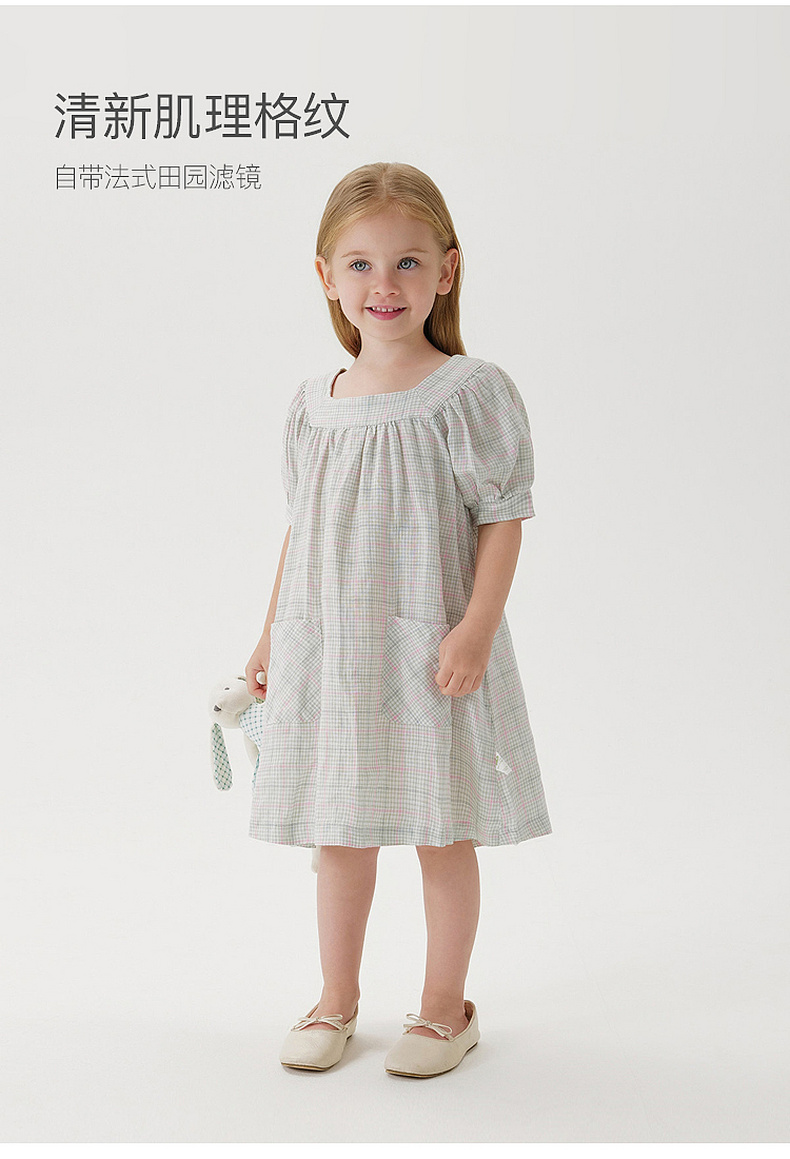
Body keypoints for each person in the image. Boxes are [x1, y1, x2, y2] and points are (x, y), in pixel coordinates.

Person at [244, 161, 552, 1078]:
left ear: (447, 270)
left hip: (430, 647)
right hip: (333, 652)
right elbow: (302, 531)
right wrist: (268, 637)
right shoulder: (313, 407)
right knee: (338, 833)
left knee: (441, 828)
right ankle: (335, 999)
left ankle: (444, 1008)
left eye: (408, 262)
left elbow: (504, 514)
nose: (385, 284)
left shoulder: (468, 391)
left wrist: (476, 627)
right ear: (326, 276)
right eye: (361, 264)